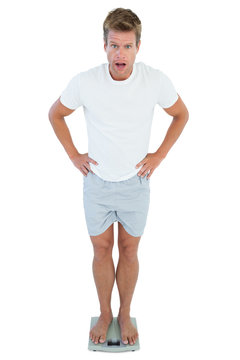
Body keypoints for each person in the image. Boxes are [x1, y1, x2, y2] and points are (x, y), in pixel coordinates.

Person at [48, 7, 189, 347]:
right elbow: (56, 114)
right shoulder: (85, 81)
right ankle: (105, 312)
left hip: (134, 184)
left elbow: (181, 114)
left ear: (138, 47)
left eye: (127, 46)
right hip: (96, 183)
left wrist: (159, 155)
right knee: (100, 250)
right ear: (104, 46)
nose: (120, 53)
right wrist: (73, 155)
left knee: (128, 250)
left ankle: (124, 313)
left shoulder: (155, 80)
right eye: (114, 46)